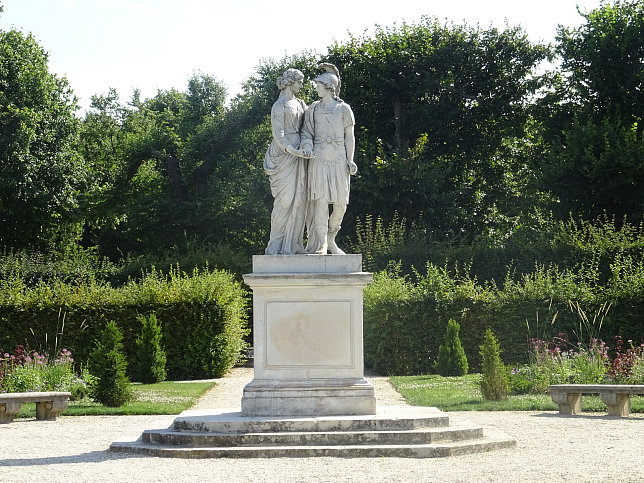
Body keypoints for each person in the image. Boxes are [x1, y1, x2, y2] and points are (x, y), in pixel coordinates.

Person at [300, 63, 357, 254]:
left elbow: (349, 135)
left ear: (328, 87)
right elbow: (306, 134)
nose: (315, 88)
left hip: (339, 159)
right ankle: (322, 244)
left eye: (318, 85)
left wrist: (351, 159)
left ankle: (331, 238)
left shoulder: (344, 109)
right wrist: (307, 146)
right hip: (319, 160)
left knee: (341, 204)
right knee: (321, 202)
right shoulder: (313, 109)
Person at [263, 68, 311, 255]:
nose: (301, 85)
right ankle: (275, 243)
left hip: (299, 153)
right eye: (299, 81)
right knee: (285, 200)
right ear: (290, 82)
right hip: (285, 155)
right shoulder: (279, 106)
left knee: (300, 198)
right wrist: (293, 151)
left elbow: (310, 124)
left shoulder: (300, 103)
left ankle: (294, 243)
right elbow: (278, 135)